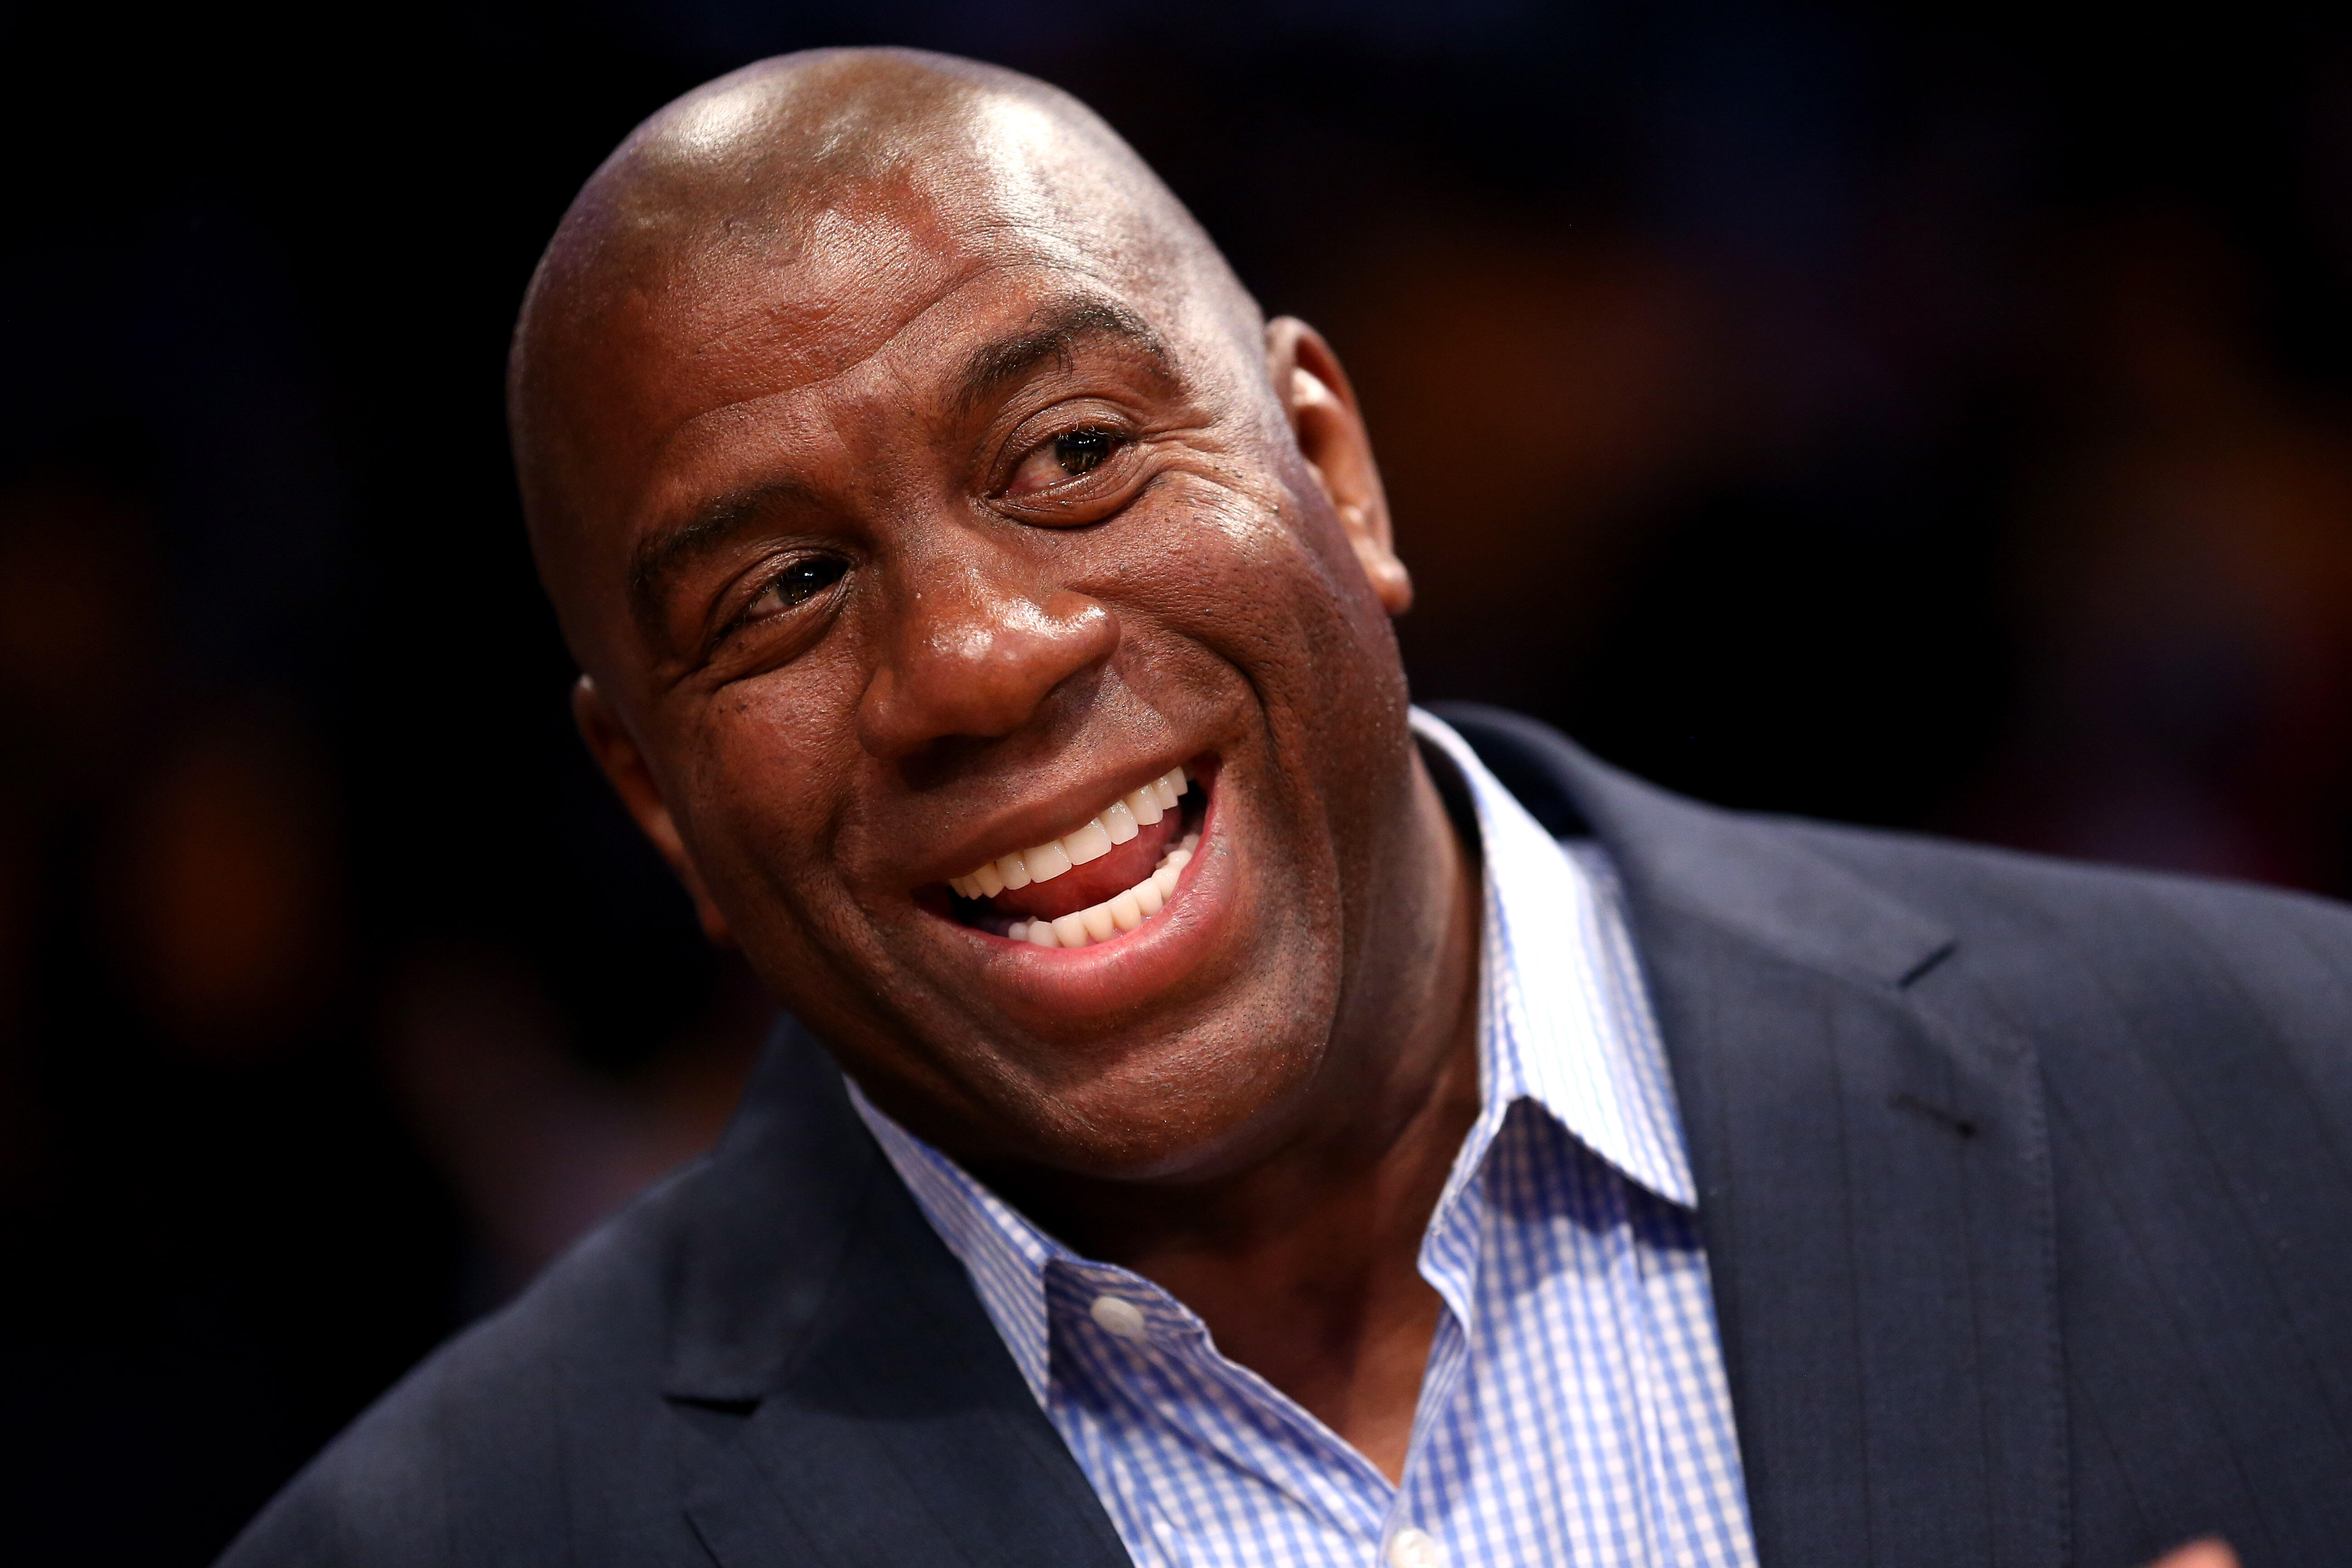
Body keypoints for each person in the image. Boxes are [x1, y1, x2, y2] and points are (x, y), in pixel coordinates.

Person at [220, 49, 2352, 1568]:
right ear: (654, 800)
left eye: (1068, 453)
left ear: (1336, 471)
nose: (979, 656)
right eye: (782, 593)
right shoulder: (449, 1539)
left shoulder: (2290, 1101)